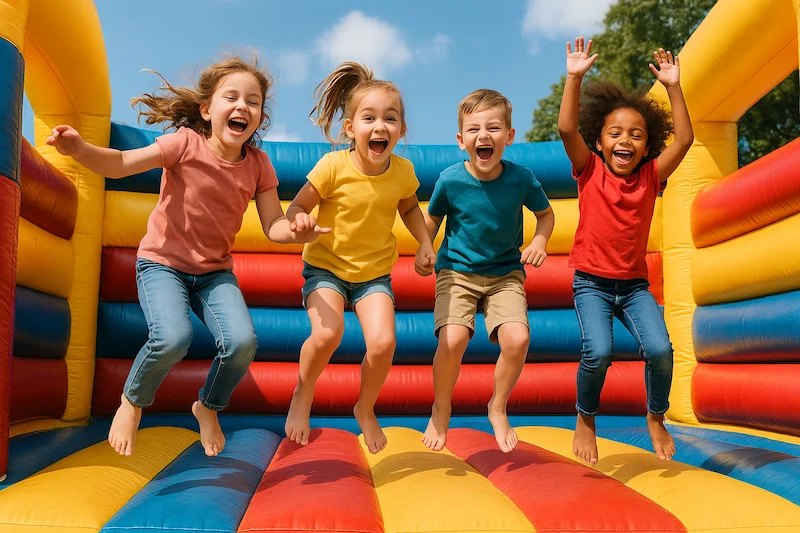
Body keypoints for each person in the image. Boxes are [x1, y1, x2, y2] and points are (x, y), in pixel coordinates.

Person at [47, 56, 328, 457]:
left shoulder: (259, 166)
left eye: (253, 101)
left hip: (213, 273)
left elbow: (274, 226)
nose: (242, 107)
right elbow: (123, 164)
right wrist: (80, 149)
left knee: (243, 342)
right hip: (162, 263)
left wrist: (298, 230)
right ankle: (133, 402)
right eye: (230, 97)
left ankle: (207, 406)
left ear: (259, 117)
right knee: (173, 337)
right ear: (206, 109)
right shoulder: (184, 143)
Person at [284, 62, 435, 454]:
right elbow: (296, 205)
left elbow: (410, 209)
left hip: (374, 274)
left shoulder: (403, 171)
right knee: (327, 334)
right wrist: (298, 219)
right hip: (326, 267)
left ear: (401, 129)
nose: (380, 126)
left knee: (384, 342)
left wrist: (424, 242)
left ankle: (364, 407)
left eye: (390, 118)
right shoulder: (333, 166)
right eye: (369, 118)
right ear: (351, 128)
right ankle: (304, 392)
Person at [557, 38, 694, 464]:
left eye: (636, 135)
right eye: (615, 133)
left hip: (634, 286)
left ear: (647, 146)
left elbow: (685, 139)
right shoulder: (589, 169)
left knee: (660, 350)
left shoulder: (652, 176)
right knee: (598, 352)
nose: (625, 140)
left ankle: (656, 415)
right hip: (593, 284)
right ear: (599, 142)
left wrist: (673, 86)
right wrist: (574, 78)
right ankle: (586, 415)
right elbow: (565, 129)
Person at [421, 89, 555, 453]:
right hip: (457, 271)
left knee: (517, 339)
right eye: (474, 129)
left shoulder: (521, 178)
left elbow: (545, 214)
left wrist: (540, 241)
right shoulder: (451, 180)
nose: (484, 135)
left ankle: (497, 405)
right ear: (461, 139)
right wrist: (423, 247)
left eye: (494, 128)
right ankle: (441, 406)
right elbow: (431, 220)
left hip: (505, 273)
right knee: (453, 340)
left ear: (509, 137)